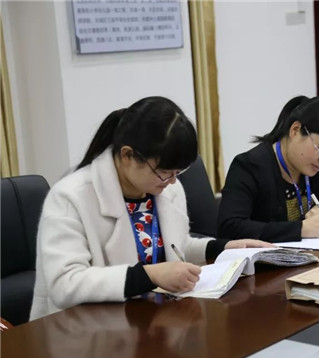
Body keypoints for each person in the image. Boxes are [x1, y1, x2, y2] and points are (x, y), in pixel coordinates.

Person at [30, 96, 270, 320]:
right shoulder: (70, 197)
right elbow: (64, 284)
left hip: (153, 319)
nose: (172, 181)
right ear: (127, 155)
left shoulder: (164, 188)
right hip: (85, 330)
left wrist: (222, 248)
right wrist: (150, 275)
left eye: (178, 172)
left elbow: (173, 247)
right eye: (164, 172)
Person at [218, 96, 319, 242]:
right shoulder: (249, 166)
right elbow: (230, 226)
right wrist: (301, 229)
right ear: (295, 130)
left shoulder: (316, 166)